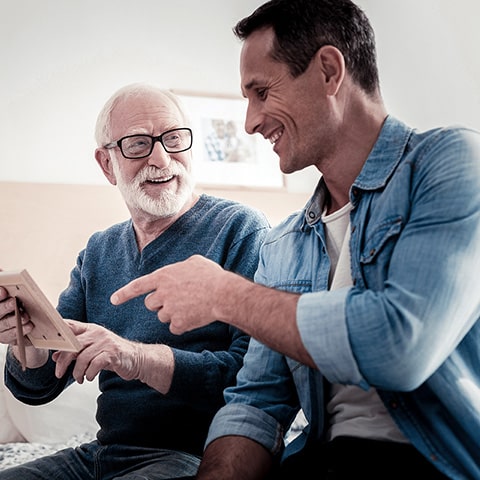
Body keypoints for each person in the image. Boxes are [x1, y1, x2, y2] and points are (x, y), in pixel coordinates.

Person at [110, 1, 480, 479]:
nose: (250, 121)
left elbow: (399, 346)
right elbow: (257, 403)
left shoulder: (450, 164)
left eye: (262, 92)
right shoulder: (283, 243)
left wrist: (222, 293)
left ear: (328, 71)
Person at [0, 83, 270, 479]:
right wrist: (27, 340)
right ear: (107, 164)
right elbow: (39, 385)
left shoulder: (240, 230)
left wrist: (135, 358)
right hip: (103, 454)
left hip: (191, 457)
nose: (161, 158)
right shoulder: (98, 251)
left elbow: (252, 378)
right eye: (138, 144)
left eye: (174, 139)